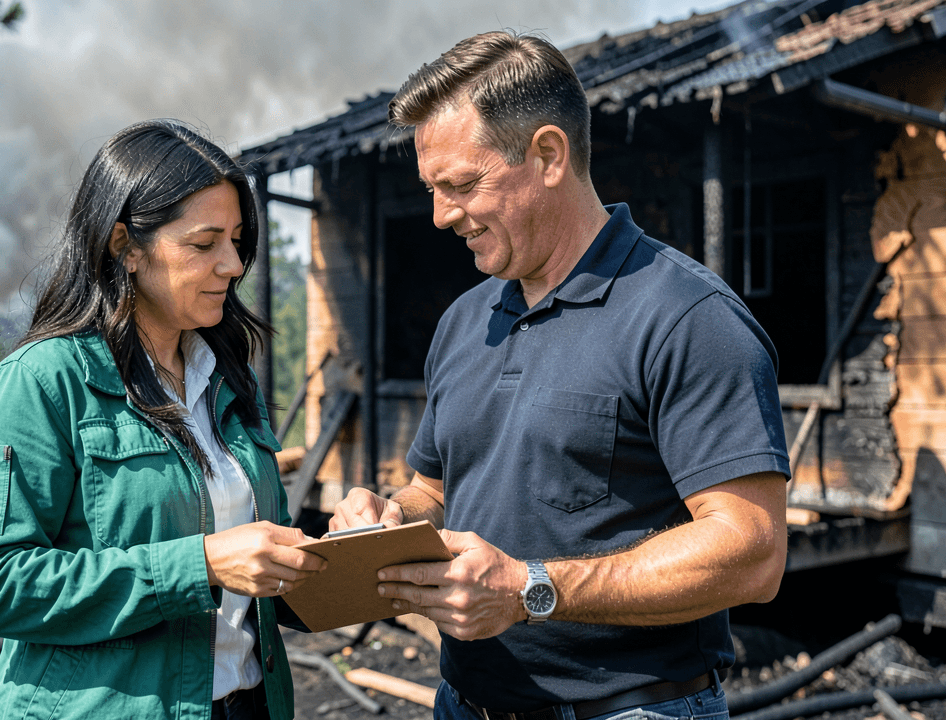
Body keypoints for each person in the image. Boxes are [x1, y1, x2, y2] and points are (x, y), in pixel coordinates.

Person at [331, 31, 790, 720]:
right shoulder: (465, 319)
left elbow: (752, 552)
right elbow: (434, 489)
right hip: (465, 703)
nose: (438, 216)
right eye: (431, 189)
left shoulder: (687, 316)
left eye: (460, 185)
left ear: (548, 154)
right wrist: (390, 521)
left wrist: (530, 589)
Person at [0, 119, 324, 720]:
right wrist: (198, 564)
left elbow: (253, 568)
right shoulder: (43, 383)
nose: (232, 264)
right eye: (204, 244)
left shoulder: (227, 377)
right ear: (124, 246)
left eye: (236, 240)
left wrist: (347, 561)